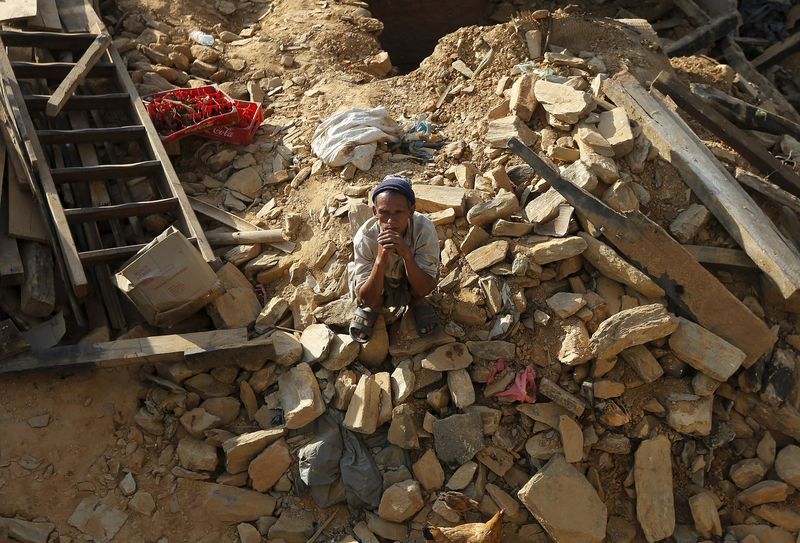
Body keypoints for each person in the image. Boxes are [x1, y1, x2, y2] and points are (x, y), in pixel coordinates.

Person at [348, 175, 440, 344]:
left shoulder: (424, 229)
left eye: (398, 212)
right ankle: (374, 310)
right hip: (381, 283)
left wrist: (406, 255)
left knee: (420, 291)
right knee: (370, 302)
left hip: (412, 281)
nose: (391, 221)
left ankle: (416, 302)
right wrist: (380, 261)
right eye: (384, 213)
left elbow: (426, 286)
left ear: (411, 211)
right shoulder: (365, 237)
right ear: (375, 212)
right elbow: (366, 296)